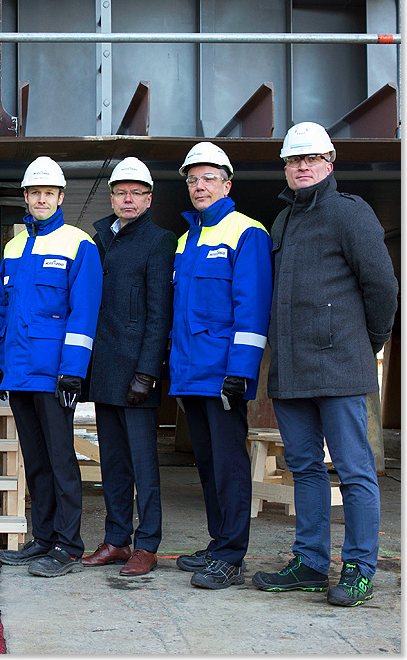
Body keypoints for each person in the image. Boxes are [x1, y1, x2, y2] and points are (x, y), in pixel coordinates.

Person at [251, 123, 398, 606]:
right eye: (295, 161)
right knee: (306, 469)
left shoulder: (350, 214)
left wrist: (364, 344)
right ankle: (311, 563)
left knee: (355, 472)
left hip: (341, 371)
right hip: (292, 373)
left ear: (330, 163)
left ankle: (358, 568)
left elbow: (383, 289)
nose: (303, 167)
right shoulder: (283, 222)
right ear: (287, 170)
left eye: (312, 159)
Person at [0, 156, 103, 578]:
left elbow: (83, 313)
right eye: (34, 192)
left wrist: (73, 370)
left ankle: (68, 545)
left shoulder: (78, 244)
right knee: (35, 460)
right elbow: (2, 311)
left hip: (54, 373)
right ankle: (43, 538)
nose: (41, 198)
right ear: (26, 196)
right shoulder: (14, 247)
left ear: (60, 197)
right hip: (19, 372)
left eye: (48, 192)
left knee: (61, 461)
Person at [170, 142, 273, 589]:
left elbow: (251, 307)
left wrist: (241, 371)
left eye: (208, 178)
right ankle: (218, 545)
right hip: (192, 372)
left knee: (229, 465)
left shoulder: (247, 232)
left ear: (227, 184)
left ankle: (231, 557)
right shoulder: (186, 239)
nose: (199, 186)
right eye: (192, 180)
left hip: (224, 373)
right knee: (208, 464)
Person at [83, 157, 176, 576]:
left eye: (137, 192)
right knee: (114, 464)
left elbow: (160, 313)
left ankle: (147, 543)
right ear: (112, 196)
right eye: (121, 191)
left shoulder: (159, 241)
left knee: (143, 466)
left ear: (149, 199)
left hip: (137, 370)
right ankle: (117, 539)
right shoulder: (100, 238)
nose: (128, 199)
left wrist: (148, 372)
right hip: (105, 367)